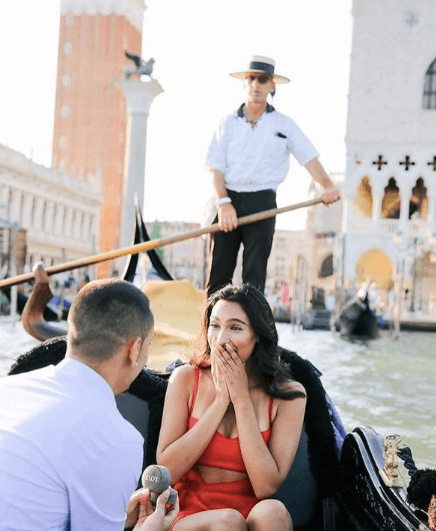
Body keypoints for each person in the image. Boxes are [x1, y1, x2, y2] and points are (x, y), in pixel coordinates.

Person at [0, 277, 178, 531]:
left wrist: (119, 512)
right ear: (135, 349)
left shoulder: (7, 389)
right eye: (148, 346)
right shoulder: (117, 438)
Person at [156, 284, 307, 530]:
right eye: (215, 326)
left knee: (274, 512)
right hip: (187, 512)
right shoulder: (184, 379)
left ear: (257, 335)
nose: (221, 339)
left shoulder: (290, 395)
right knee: (227, 522)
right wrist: (220, 401)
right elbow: (167, 471)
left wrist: (241, 400)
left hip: (250, 514)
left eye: (235, 328)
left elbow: (265, 487)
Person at [205, 55, 341, 297]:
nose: (256, 84)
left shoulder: (284, 125)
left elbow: (309, 158)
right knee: (218, 275)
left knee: (254, 277)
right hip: (228, 200)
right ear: (245, 83)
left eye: (263, 79)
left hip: (263, 202)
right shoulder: (227, 124)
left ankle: (250, 332)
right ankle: (208, 331)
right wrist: (224, 203)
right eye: (252, 78)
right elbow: (215, 167)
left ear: (272, 85)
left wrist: (328, 186)